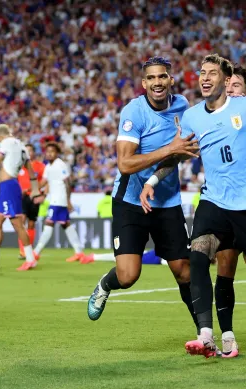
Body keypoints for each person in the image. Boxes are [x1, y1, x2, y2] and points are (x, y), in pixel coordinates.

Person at [142, 54, 246, 358]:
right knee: (198, 255)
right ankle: (206, 333)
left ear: (225, 78)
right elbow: (178, 153)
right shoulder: (193, 116)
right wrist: (153, 180)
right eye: (202, 73)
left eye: (212, 73)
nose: (205, 78)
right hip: (212, 201)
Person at [85, 57, 200, 331]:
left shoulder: (184, 107)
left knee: (184, 271)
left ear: (171, 79)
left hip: (167, 201)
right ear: (144, 83)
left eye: (163, 76)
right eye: (152, 78)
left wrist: (170, 158)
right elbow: (125, 164)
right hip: (129, 201)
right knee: (128, 276)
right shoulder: (133, 112)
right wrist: (168, 149)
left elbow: (182, 151)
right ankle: (104, 284)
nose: (157, 82)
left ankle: (204, 333)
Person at [0, 124, 41, 271]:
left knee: (17, 224)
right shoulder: (21, 146)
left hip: (9, 187)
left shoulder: (5, 142)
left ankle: (30, 259)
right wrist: (35, 190)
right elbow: (31, 171)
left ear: (0, 137)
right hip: (10, 186)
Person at [31, 142, 87, 261]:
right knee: (66, 224)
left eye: (52, 151)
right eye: (48, 152)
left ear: (57, 153)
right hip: (55, 199)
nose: (49, 154)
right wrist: (33, 190)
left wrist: (68, 200)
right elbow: (43, 182)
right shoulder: (48, 166)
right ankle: (79, 252)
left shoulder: (60, 164)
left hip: (59, 200)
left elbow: (67, 183)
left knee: (49, 224)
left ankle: (36, 252)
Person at [17, 143, 46, 259]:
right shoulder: (18, 166)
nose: (28, 153)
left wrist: (40, 194)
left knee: (31, 224)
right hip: (22, 197)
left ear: (33, 152)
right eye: (26, 151)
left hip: (34, 197)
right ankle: (22, 251)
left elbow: (45, 182)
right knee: (21, 222)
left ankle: (29, 248)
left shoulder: (40, 166)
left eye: (30, 151)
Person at [82, 250, 166, 266]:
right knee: (123, 257)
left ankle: (94, 257)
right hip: (156, 257)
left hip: (157, 254)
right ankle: (94, 257)